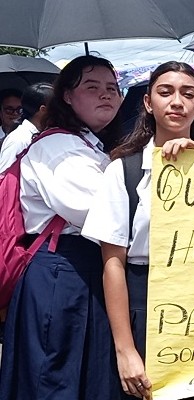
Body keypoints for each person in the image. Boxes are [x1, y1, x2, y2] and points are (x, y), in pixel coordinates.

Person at [81, 61, 194, 400]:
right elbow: (112, 263)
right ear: (148, 103)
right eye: (165, 92)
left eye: (188, 94)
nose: (177, 102)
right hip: (145, 305)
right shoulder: (124, 171)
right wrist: (126, 350)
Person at [0, 55, 123, 400]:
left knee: (78, 375)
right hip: (61, 271)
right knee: (52, 379)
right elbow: (102, 213)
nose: (106, 95)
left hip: (79, 270)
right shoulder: (59, 147)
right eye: (92, 86)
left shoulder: (88, 146)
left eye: (112, 88)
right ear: (66, 96)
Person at [0, 82, 54, 173]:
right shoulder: (19, 140)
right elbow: (4, 177)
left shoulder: (46, 136)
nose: (62, 112)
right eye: (57, 108)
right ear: (43, 110)